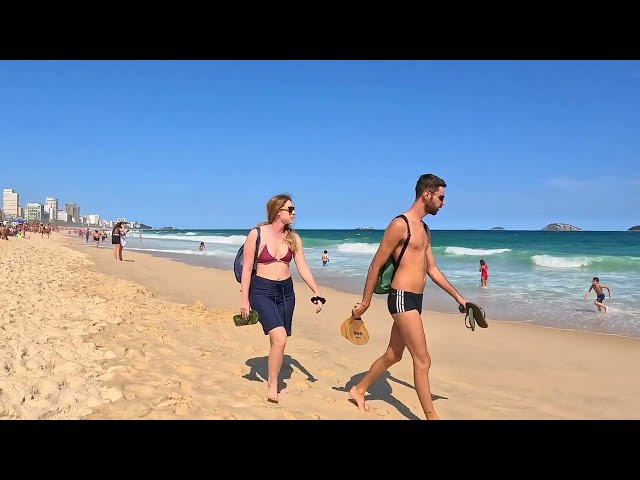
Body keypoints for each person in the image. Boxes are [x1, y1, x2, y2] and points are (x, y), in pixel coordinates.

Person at [349, 173, 470, 420]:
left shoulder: (424, 229)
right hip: (401, 298)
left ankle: (358, 389)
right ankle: (431, 417)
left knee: (394, 354)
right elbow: (375, 265)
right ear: (427, 195)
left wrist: (459, 297)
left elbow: (432, 269)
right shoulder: (399, 224)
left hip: (416, 299)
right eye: (441, 197)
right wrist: (365, 302)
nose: (443, 203)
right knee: (423, 361)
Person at [239, 194, 324, 404]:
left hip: (286, 292)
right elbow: (247, 268)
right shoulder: (256, 234)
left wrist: (316, 290)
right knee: (280, 338)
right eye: (290, 209)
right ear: (278, 211)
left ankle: (273, 372)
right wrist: (244, 300)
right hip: (261, 291)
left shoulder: (293, 238)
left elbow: (302, 265)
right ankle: (273, 384)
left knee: (279, 337)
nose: (294, 213)